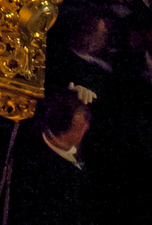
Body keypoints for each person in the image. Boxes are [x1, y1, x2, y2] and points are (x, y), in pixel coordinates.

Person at [8, 91, 93, 225]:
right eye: (82, 125)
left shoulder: (48, 127)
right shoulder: (45, 172)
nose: (87, 127)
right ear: (66, 133)